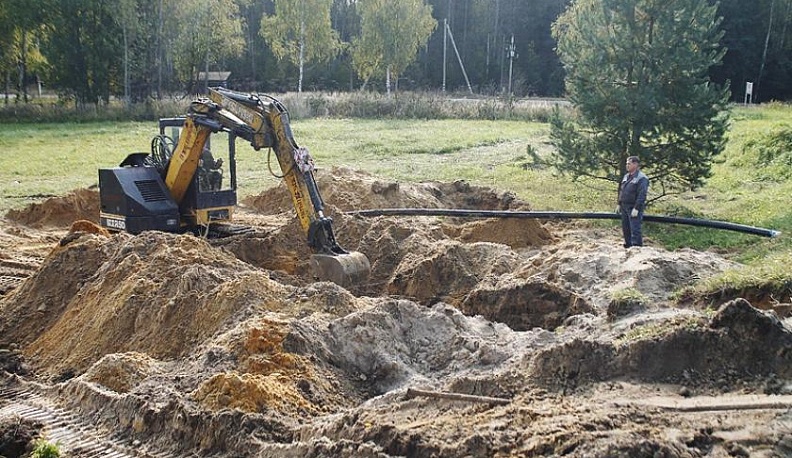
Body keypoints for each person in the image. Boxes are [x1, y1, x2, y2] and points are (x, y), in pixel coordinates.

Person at [617, 156, 649, 248]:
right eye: (626, 163)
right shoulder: (626, 176)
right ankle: (628, 246)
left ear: (635, 164)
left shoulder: (642, 178)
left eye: (629, 164)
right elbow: (622, 190)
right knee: (626, 228)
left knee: (635, 229)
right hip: (624, 206)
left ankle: (636, 248)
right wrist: (619, 203)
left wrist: (637, 208)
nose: (627, 165)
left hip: (633, 207)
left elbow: (642, 195)